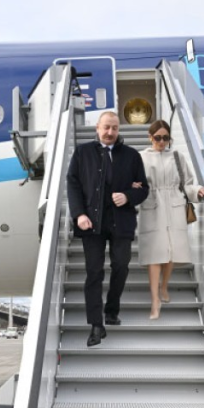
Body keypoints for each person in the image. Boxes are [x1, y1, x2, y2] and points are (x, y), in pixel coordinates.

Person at [66, 111, 149, 347]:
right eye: (106, 127)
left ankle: (111, 310)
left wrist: (128, 196)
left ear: (118, 129)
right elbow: (73, 184)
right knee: (94, 272)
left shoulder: (132, 156)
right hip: (91, 222)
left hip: (121, 221)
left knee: (121, 266)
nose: (110, 132)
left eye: (114, 128)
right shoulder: (82, 152)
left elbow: (144, 188)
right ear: (97, 128)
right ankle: (96, 325)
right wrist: (79, 214)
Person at [136, 120, 204, 320]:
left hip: (175, 205)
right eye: (158, 138)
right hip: (152, 206)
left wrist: (198, 190)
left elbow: (187, 184)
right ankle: (155, 300)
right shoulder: (140, 157)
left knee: (171, 253)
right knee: (154, 256)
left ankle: (164, 286)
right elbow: (134, 182)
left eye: (166, 138)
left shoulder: (177, 156)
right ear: (150, 137)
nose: (162, 141)